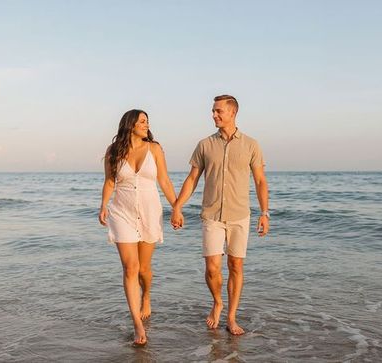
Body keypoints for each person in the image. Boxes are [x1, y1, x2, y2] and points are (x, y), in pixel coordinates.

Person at [171, 95, 269, 335]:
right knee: (212, 268)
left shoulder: (251, 145)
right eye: (213, 111)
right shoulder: (205, 145)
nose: (214, 115)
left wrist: (264, 212)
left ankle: (232, 317)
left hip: (239, 215)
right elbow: (192, 178)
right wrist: (177, 206)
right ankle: (218, 302)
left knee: (235, 265)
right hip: (212, 214)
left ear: (232, 112)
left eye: (218, 111)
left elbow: (259, 181)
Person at [99, 109, 177, 345]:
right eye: (142, 121)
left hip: (150, 211)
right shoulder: (113, 152)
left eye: (147, 121)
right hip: (122, 211)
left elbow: (164, 180)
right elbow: (110, 181)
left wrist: (177, 207)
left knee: (144, 269)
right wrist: (103, 205)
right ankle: (137, 323)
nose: (146, 124)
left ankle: (147, 296)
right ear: (130, 124)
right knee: (130, 267)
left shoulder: (154, 148)